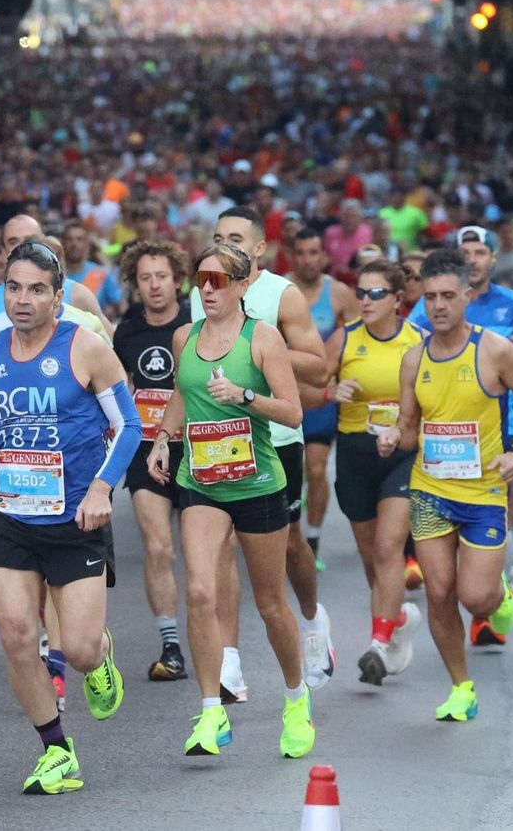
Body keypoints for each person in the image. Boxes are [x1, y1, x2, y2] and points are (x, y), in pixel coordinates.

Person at [0, 239, 135, 794]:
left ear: (59, 295)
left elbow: (131, 426)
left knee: (78, 646)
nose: (23, 300)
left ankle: (99, 660)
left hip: (77, 520)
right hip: (13, 517)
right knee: (17, 634)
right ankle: (56, 750)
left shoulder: (87, 348)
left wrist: (101, 489)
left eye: (36, 290)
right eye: (14, 288)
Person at [147, 242, 315, 759]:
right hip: (200, 479)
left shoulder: (262, 339)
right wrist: (161, 437)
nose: (208, 289)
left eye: (220, 280)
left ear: (244, 286)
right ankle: (211, 712)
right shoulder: (185, 337)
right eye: (202, 279)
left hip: (258, 483)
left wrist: (244, 397)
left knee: (269, 604)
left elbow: (292, 413)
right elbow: (182, 394)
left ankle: (295, 699)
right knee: (199, 592)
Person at [378, 247, 513, 721]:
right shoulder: (414, 359)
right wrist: (395, 436)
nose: (438, 305)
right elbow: (410, 428)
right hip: (431, 489)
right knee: (437, 591)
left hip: (482, 494)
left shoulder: (492, 350)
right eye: (430, 296)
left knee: (475, 597)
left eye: (448, 295)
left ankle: (501, 598)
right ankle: (461, 687)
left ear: (467, 296)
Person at [195, 207, 333, 697]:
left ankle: (314, 623)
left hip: (275, 442)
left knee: (291, 546)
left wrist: (254, 344)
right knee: (220, 551)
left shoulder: (282, 295)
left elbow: (318, 369)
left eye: (235, 238)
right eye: (217, 237)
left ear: (258, 249)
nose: (223, 245)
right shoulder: (203, 291)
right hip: (213, 447)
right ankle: (229, 660)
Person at [407, 226, 513, 549]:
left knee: (506, 481)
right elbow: (410, 334)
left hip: (503, 411)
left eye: (480, 253)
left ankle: (499, 547)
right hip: (451, 409)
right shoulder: (439, 300)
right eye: (465, 254)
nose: (473, 260)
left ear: (493, 258)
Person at [323, 260, 425, 686]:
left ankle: (378, 644)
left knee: (388, 549)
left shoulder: (419, 340)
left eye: (375, 293)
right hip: (354, 454)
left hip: (401, 454)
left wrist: (403, 430)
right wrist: (331, 391)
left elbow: (435, 402)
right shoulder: (344, 339)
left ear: (398, 300)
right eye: (360, 292)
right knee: (372, 560)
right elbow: (306, 393)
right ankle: (397, 616)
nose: (364, 300)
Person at [112, 238, 193, 681]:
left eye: (162, 276)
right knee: (158, 547)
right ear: (135, 283)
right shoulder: (126, 332)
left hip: (198, 449)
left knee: (203, 558)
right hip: (146, 451)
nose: (155, 285)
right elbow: (118, 387)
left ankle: (218, 642)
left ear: (178, 280)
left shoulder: (197, 322)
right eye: (145, 278)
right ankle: (171, 645)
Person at [287, 227, 357, 563]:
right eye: (300, 253)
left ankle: (311, 539)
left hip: (322, 397)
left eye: (313, 252)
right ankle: (289, 535)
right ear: (293, 255)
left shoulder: (340, 293)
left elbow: (359, 341)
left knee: (315, 470)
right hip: (283, 396)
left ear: (324, 255)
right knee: (287, 473)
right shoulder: (279, 291)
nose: (307, 260)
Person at [0, 215, 111, 338]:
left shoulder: (77, 294)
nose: (24, 246)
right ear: (2, 250)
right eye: (13, 242)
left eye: (31, 239)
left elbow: (113, 345)